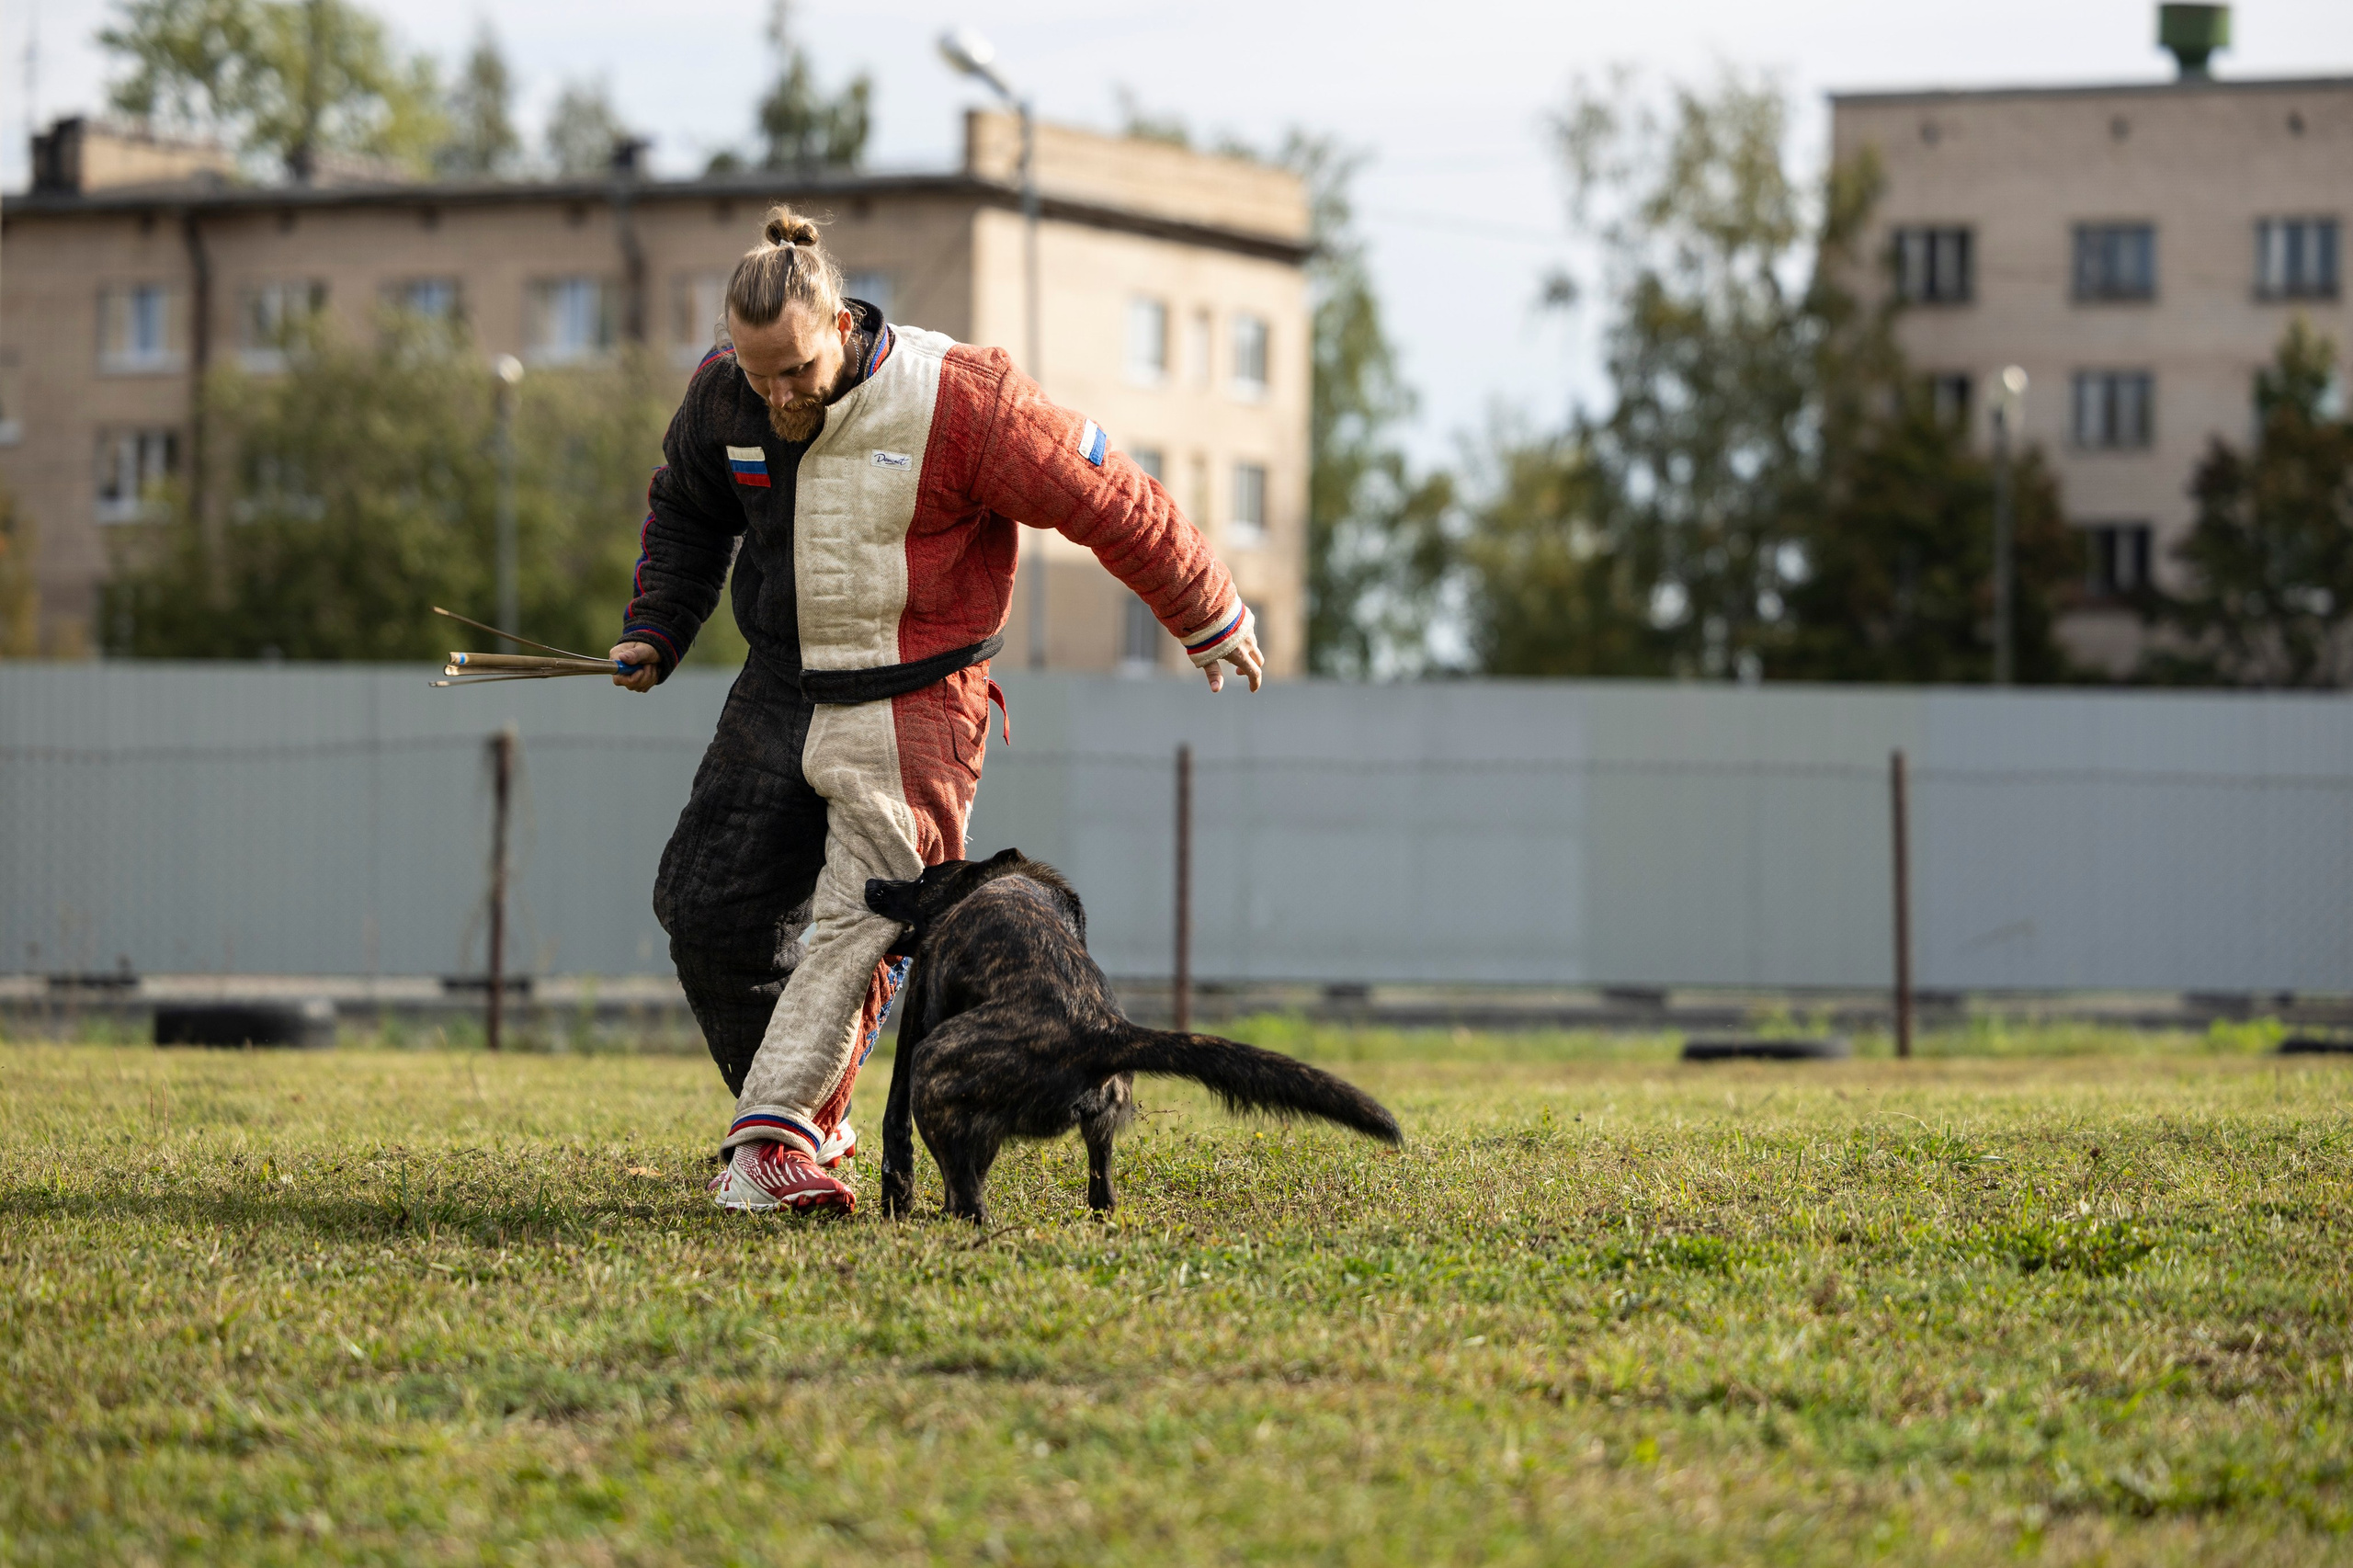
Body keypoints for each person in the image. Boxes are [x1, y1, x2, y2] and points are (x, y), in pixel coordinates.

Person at [610, 206, 1264, 1214]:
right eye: (757, 373)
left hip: (918, 695)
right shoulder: (722, 398)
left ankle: (778, 1140)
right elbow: (688, 511)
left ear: (838, 323)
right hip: (780, 683)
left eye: (795, 369)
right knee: (700, 906)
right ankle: (804, 1116)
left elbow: (1106, 491)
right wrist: (656, 626)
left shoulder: (962, 398)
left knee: (858, 917)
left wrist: (1206, 609)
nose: (778, 394)